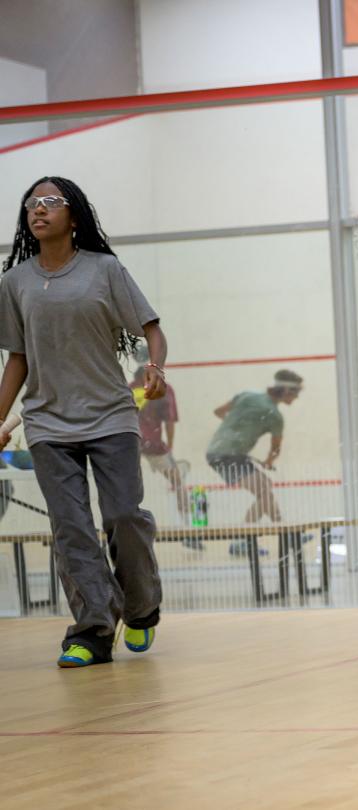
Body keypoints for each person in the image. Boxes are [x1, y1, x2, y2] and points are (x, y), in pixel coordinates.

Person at [0, 176, 167, 667]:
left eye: (51, 202)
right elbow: (17, 358)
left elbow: (152, 331)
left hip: (111, 417)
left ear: (73, 215)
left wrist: (155, 368)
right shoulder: (15, 283)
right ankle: (93, 629)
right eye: (32, 203)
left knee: (122, 517)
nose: (39, 209)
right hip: (49, 424)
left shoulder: (105, 270)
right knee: (71, 527)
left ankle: (140, 606)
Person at [207, 370, 302, 554]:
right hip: (227, 456)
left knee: (264, 489)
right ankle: (282, 534)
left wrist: (234, 426)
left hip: (219, 452)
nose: (297, 397)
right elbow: (275, 449)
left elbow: (218, 412)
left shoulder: (247, 395)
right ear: (286, 391)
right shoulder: (274, 416)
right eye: (296, 392)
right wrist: (268, 461)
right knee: (264, 490)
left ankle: (247, 540)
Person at [130, 360, 190, 523]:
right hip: (152, 444)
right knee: (178, 481)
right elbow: (169, 421)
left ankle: (124, 526)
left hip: (128, 443)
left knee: (124, 484)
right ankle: (188, 526)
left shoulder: (128, 389)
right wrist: (169, 446)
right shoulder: (163, 389)